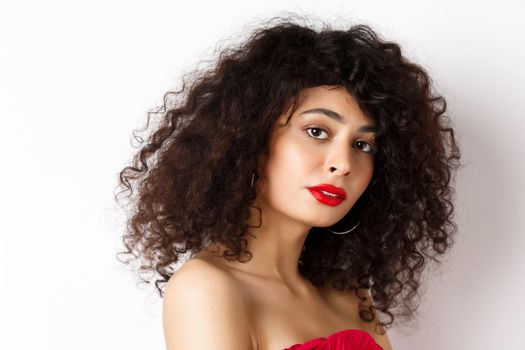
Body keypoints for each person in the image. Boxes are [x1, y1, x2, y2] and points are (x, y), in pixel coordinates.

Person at [115, 15, 461, 350]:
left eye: (362, 145)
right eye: (317, 131)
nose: (342, 164)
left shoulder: (349, 293)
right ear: (252, 138)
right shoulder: (207, 288)